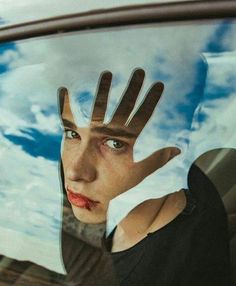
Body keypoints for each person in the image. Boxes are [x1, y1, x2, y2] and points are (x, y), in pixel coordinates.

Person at [58, 69, 231, 285]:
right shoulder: (185, 182)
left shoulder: (164, 273)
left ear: (174, 146)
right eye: (72, 133)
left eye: (115, 143)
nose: (74, 171)